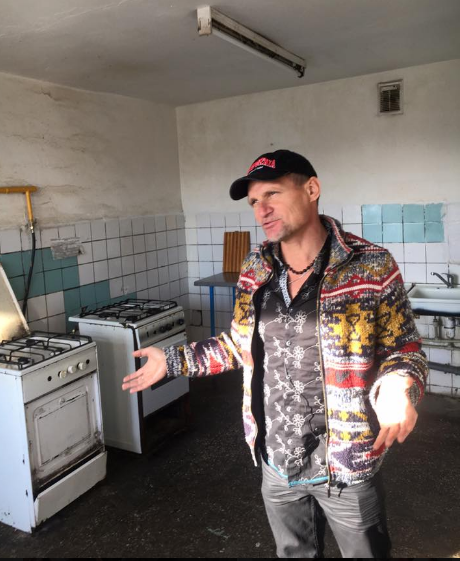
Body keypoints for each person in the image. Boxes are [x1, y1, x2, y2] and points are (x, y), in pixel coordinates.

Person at [122, 149, 427, 558]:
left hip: (347, 463)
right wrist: (174, 360)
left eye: (272, 194)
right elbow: (238, 344)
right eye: (253, 202)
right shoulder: (256, 268)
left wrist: (399, 385)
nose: (261, 210)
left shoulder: (370, 266)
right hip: (276, 460)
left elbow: (404, 349)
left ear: (311, 189)